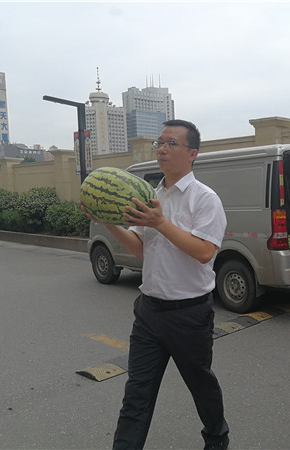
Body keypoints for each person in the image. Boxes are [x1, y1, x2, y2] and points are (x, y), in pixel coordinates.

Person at [82, 119, 229, 450]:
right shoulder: (150, 195)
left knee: (201, 385)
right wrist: (106, 221)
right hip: (149, 312)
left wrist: (161, 222)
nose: (162, 149)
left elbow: (204, 253)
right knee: (137, 394)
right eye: (159, 143)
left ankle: (217, 437)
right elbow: (140, 249)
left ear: (192, 153)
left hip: (189, 314)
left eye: (171, 143)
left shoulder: (204, 199)